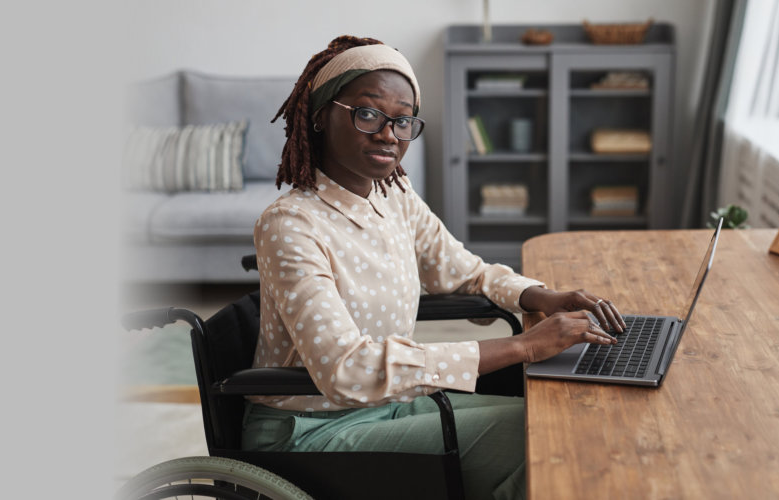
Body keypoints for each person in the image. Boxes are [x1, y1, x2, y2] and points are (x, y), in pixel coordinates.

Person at [243, 35, 630, 500]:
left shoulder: (393, 196)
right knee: (551, 445)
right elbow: (347, 368)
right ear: (323, 115)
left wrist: (539, 296)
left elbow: (465, 270)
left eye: (403, 121)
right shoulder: (290, 224)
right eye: (368, 114)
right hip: (309, 428)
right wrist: (522, 346)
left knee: (560, 423)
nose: (389, 134)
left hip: (387, 404)